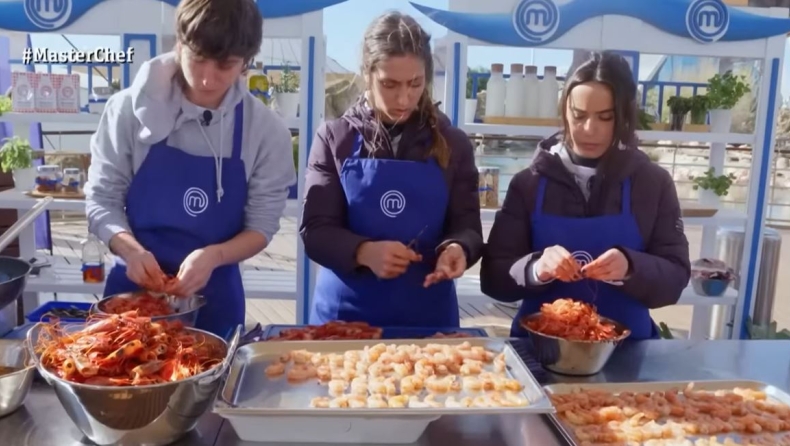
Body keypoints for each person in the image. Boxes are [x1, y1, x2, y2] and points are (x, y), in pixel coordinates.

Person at [84, 0, 296, 339]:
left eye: (225, 66)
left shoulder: (266, 131)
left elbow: (262, 226)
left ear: (246, 62)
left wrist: (215, 255)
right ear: (178, 43)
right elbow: (101, 200)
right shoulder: (126, 110)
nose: (207, 79)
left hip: (216, 296)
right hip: (132, 293)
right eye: (197, 59)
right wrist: (130, 249)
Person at [480, 52, 691, 340]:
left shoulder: (652, 184)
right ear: (564, 110)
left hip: (628, 355)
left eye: (606, 117)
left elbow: (675, 279)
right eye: (579, 116)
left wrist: (631, 266)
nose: (590, 130)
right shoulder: (528, 184)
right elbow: (493, 278)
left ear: (625, 116)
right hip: (539, 352)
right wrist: (536, 268)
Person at [300, 12, 483, 328]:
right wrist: (363, 252)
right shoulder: (335, 138)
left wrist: (459, 248)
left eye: (415, 83)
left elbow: (468, 226)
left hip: (428, 320)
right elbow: (315, 230)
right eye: (389, 84)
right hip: (344, 321)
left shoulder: (453, 144)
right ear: (367, 74)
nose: (404, 98)